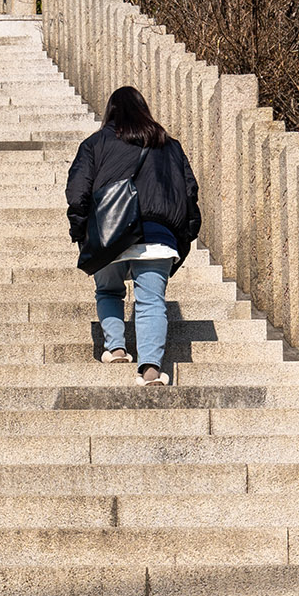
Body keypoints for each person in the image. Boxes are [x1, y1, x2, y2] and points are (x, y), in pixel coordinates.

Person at [64, 84, 201, 386]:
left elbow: (77, 193)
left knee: (109, 290)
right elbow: (189, 193)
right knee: (151, 301)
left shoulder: (95, 143)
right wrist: (182, 235)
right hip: (158, 234)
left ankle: (116, 349)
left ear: (110, 113)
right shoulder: (170, 145)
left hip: (108, 232)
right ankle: (151, 370)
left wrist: (82, 233)